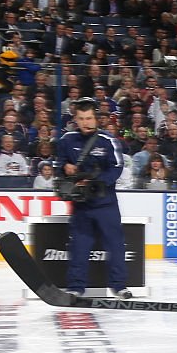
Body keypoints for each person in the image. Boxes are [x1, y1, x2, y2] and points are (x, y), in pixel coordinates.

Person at [56, 98, 131, 299]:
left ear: (96, 118)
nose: (86, 122)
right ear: (75, 119)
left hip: (105, 203)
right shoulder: (66, 140)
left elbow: (116, 168)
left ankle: (119, 286)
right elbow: (58, 164)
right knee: (79, 246)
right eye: (81, 118)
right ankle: (76, 287)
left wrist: (95, 183)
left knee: (115, 244)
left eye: (89, 118)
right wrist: (64, 168)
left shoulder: (108, 141)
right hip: (81, 205)